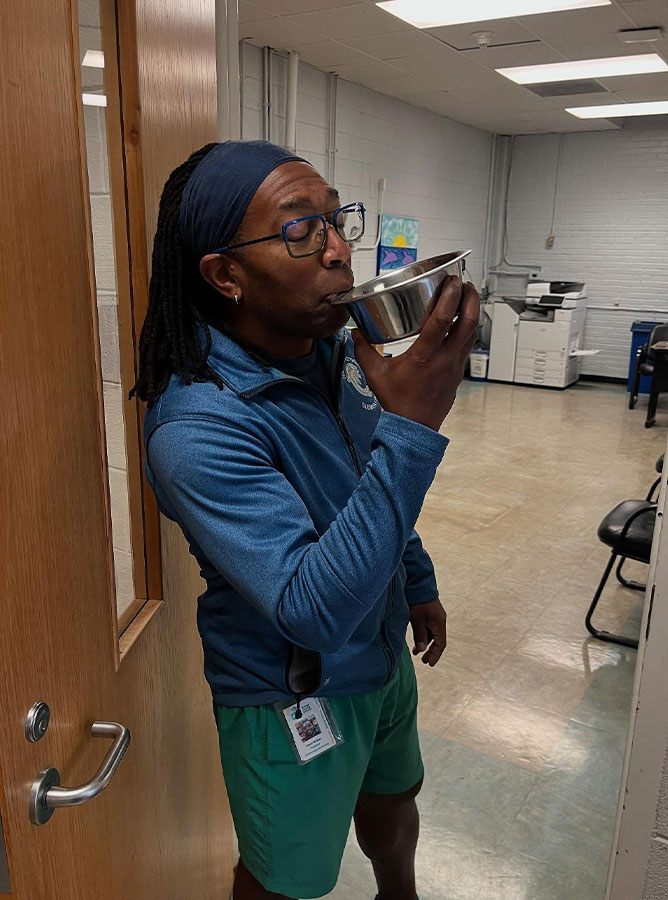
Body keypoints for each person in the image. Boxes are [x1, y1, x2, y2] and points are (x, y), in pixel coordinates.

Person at [130, 140, 479, 900]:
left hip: (381, 651)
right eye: (299, 231)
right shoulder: (197, 427)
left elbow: (363, 481)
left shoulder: (333, 353)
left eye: (336, 220)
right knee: (284, 880)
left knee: (395, 801)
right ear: (225, 275)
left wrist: (417, 581)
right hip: (295, 693)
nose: (337, 251)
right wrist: (414, 428)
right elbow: (311, 611)